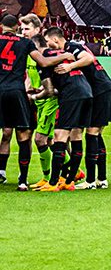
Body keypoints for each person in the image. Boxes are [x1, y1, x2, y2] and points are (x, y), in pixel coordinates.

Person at [0, 13, 67, 191]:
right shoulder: (25, 43)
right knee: (24, 136)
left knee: (6, 133)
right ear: (16, 27)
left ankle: (1, 173)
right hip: (16, 91)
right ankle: (22, 180)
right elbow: (44, 62)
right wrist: (65, 56)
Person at [32, 26, 95, 191]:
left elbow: (50, 90)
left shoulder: (43, 59)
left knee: (60, 135)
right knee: (76, 135)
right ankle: (69, 181)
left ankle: (53, 183)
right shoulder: (61, 53)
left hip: (72, 95)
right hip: (86, 92)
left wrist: (33, 96)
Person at [58, 32, 111, 189]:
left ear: (55, 39)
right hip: (106, 89)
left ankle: (90, 181)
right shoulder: (74, 47)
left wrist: (69, 66)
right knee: (96, 134)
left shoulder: (72, 47)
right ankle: (102, 179)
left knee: (92, 134)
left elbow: (88, 59)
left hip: (100, 91)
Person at [18, 14, 57, 185]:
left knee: (50, 139)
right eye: (22, 29)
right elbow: (29, 75)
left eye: (27, 29)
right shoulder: (27, 50)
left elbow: (51, 80)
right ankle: (60, 175)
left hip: (49, 100)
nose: (23, 32)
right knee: (46, 140)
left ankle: (60, 176)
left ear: (37, 29)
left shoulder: (45, 51)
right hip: (36, 100)